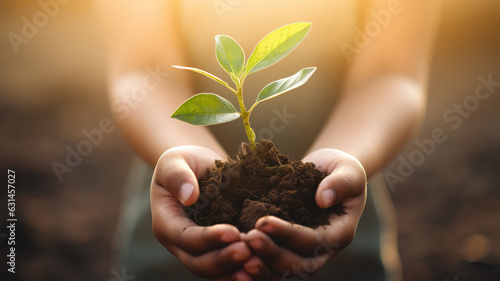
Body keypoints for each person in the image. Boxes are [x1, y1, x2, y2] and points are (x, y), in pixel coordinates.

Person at [98, 0, 441, 280]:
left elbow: (391, 73)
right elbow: (142, 70)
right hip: (182, 215)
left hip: (338, 225)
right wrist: (204, 176)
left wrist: (339, 162)